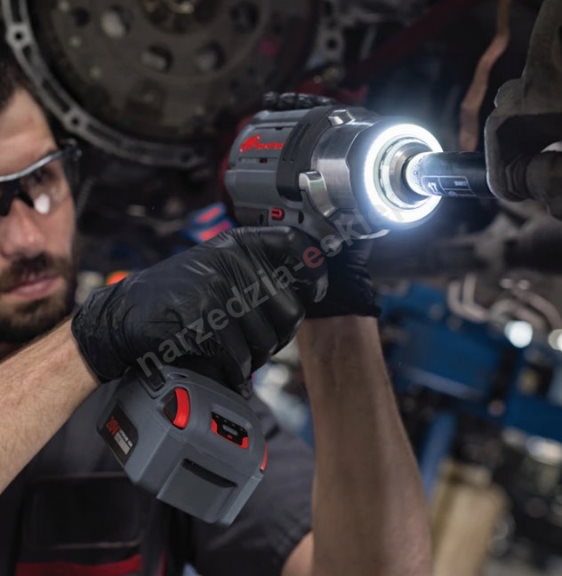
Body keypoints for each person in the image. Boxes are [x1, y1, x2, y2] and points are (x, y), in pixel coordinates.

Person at [0, 43, 431, 576]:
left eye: (41, 179)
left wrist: (336, 307)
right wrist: (83, 346)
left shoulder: (152, 382)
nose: (25, 238)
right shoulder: (104, 348)